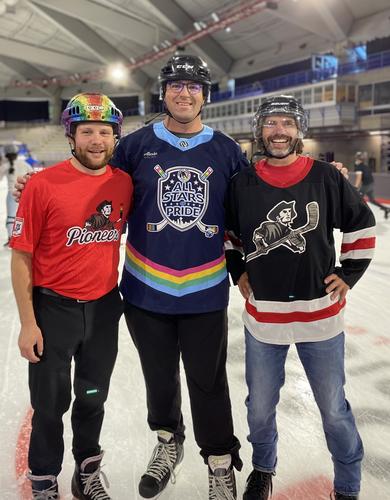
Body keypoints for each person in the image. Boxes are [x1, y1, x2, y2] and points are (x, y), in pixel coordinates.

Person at [109, 54, 246, 500]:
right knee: (159, 376)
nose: (184, 93)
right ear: (163, 93)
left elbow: (252, 210)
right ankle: (169, 441)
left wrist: (326, 176)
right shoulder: (133, 146)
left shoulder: (226, 150)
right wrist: (35, 184)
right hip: (146, 289)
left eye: (193, 86)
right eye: (175, 85)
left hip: (205, 291)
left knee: (208, 381)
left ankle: (220, 461)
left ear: (205, 95)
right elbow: (94, 189)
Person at [226, 95, 376, 500]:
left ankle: (347, 485)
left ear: (299, 130)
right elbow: (231, 236)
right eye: (271, 123)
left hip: (320, 318)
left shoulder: (326, 176)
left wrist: (348, 274)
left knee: (332, 409)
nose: (279, 131)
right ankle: (263, 468)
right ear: (260, 130)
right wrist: (237, 269)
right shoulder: (242, 183)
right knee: (259, 409)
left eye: (287, 124)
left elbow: (362, 225)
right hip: (264, 319)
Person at [10, 92, 132, 500]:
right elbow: (22, 257)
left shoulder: (123, 183)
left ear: (115, 137)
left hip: (103, 309)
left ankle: (87, 468)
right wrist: (29, 322)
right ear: (71, 135)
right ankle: (44, 476)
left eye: (104, 131)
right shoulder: (42, 185)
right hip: (54, 310)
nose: (96, 140)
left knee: (93, 396)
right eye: (86, 132)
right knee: (49, 403)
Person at [0, 143, 33, 247]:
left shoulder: (6, 165)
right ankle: (23, 239)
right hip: (25, 194)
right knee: (23, 217)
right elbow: (33, 176)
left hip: (12, 194)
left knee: (11, 217)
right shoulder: (24, 164)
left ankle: (11, 238)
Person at [354, 151, 390, 219]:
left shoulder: (358, 167)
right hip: (371, 184)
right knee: (371, 200)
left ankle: (360, 216)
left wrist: (355, 187)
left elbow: (359, 178)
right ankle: (385, 209)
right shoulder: (365, 166)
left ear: (357, 159)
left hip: (366, 185)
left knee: (358, 199)